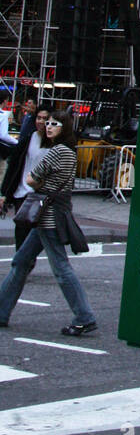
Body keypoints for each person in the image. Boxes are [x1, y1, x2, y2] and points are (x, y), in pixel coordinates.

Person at [0, 110, 96, 336]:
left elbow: (31, 179)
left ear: (64, 128)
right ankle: (2, 311)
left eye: (55, 124)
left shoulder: (57, 151)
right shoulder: (69, 151)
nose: (49, 127)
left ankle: (84, 316)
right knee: (21, 261)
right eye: (48, 123)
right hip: (51, 213)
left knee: (61, 268)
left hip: (47, 216)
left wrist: (37, 179)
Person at [0, 102, 49, 254]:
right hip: (23, 191)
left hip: (42, 193)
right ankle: (21, 262)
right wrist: (4, 193)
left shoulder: (55, 144)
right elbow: (14, 165)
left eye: (45, 119)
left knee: (38, 232)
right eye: (38, 118)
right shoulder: (29, 138)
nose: (40, 121)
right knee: (21, 229)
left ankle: (26, 260)